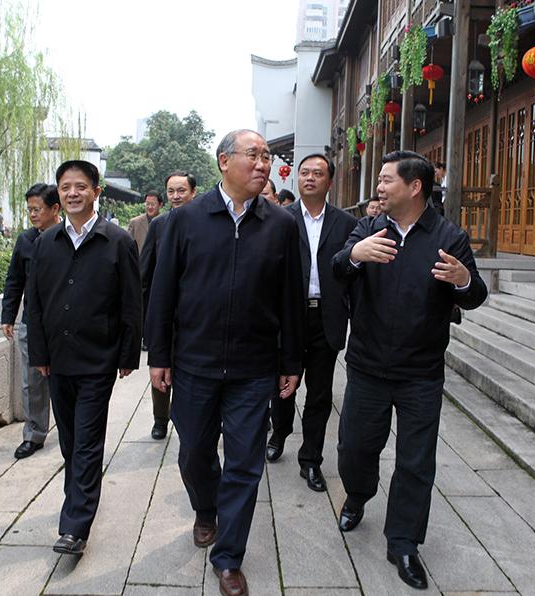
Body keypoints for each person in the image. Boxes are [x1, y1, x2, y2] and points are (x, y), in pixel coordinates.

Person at [146, 129, 304, 596]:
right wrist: (159, 354)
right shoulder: (185, 220)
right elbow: (162, 292)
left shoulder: (280, 224)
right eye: (253, 155)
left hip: (254, 369)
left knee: (245, 465)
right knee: (194, 451)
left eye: (267, 156)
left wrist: (291, 360)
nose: (263, 164)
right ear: (223, 161)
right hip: (195, 363)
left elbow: (291, 298)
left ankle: (229, 557)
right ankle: (205, 508)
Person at [331, 151, 487, 590]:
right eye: (379, 180)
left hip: (421, 372)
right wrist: (355, 254)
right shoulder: (368, 229)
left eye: (386, 180)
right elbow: (337, 269)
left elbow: (475, 294)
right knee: (355, 448)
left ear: (414, 186)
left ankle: (403, 542)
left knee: (416, 461)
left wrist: (463, 280)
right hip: (367, 365)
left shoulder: (449, 237)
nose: (379, 187)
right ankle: (358, 495)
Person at [26, 160, 142, 556]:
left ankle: (75, 526)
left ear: (96, 191)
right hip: (58, 359)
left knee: (88, 441)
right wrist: (39, 353)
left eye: (80, 186)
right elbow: (35, 303)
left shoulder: (117, 241)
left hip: (98, 358)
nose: (72, 193)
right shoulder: (46, 243)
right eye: (65, 187)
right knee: (70, 441)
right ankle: (78, 500)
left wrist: (128, 354)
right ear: (58, 195)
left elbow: (131, 302)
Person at [266, 154, 356, 495]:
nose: (310, 177)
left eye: (318, 173)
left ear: (329, 182)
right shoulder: (280, 219)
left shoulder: (346, 224)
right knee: (282, 384)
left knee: (320, 393)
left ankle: (311, 459)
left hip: (326, 316)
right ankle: (279, 432)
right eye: (304, 172)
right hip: (288, 315)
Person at [1, 183, 61, 459]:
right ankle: (34, 433)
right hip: (32, 323)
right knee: (32, 380)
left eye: (38, 209)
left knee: (64, 378)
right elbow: (14, 279)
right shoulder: (26, 240)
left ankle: (70, 429)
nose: (33, 215)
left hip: (63, 323)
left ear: (55, 209)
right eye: (30, 210)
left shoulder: (68, 237)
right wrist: (8, 315)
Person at [139, 171, 197, 439]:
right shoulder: (159, 225)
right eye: (171, 191)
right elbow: (145, 272)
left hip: (194, 313)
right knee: (160, 365)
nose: (175, 196)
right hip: (164, 312)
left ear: (193, 192)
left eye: (181, 191)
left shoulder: (204, 223)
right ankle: (160, 419)